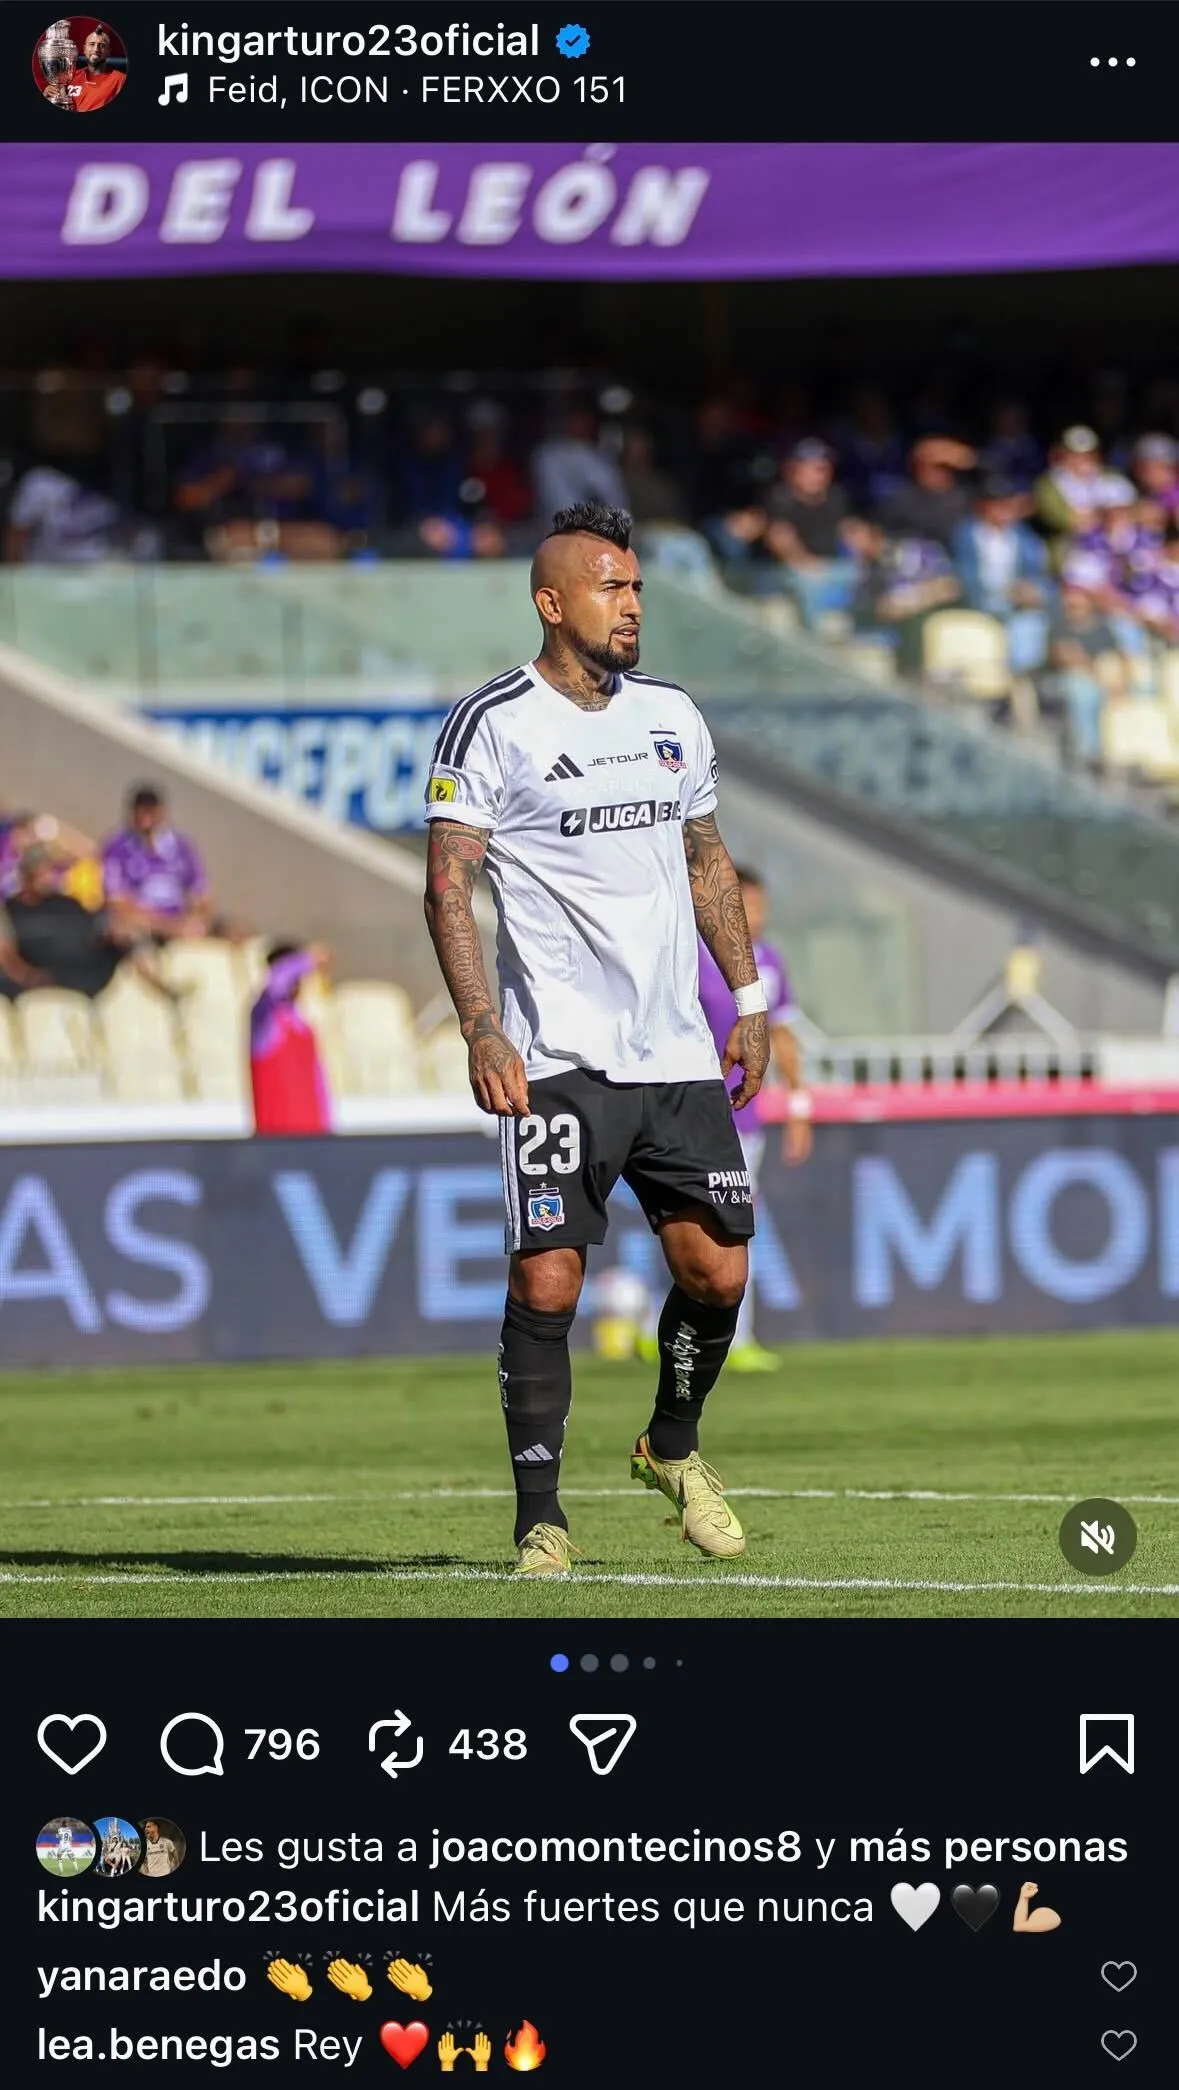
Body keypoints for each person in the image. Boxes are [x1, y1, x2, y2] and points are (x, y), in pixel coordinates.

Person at [423, 500, 767, 1576]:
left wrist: (748, 1000)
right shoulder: (494, 723)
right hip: (556, 1051)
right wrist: (482, 1026)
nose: (631, 607)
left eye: (637, 590)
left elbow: (708, 858)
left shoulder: (671, 712)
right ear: (552, 600)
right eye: (612, 588)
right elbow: (448, 885)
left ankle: (670, 1443)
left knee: (717, 1271)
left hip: (672, 1050)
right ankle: (540, 1517)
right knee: (550, 1285)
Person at [694, 869, 810, 1369]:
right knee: (687, 1225)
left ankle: (736, 1339)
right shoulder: (693, 953)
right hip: (689, 1111)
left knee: (738, 1225)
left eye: (762, 906)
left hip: (744, 1117)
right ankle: (658, 1325)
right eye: (749, 906)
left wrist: (800, 1107)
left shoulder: (769, 963)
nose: (758, 916)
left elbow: (782, 1035)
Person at [100, 785, 213, 942]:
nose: (145, 816)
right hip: (142, 926)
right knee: (122, 930)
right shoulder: (117, 848)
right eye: (141, 809)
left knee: (238, 931)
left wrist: (197, 921)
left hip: (180, 922)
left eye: (150, 809)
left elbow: (201, 895)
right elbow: (117, 902)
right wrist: (167, 926)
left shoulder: (182, 847)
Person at [249, 942, 332, 1136]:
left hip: (314, 1136)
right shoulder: (264, 1017)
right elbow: (275, 984)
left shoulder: (303, 1024)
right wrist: (308, 960)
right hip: (278, 1139)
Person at [43, 22, 126, 112]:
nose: (96, 49)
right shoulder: (69, 77)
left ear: (109, 52)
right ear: (84, 49)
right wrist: (48, 95)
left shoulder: (120, 79)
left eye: (102, 45)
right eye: (91, 44)